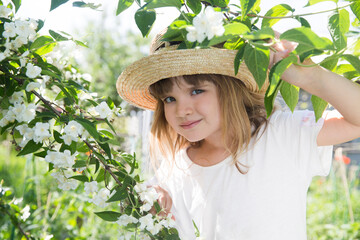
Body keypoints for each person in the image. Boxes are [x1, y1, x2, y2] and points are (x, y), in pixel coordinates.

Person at [116, 30, 360, 239]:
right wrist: (151, 208)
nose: (182, 110)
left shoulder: (281, 135)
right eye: (170, 99)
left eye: (197, 90)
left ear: (230, 88)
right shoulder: (174, 171)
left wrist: (312, 78)